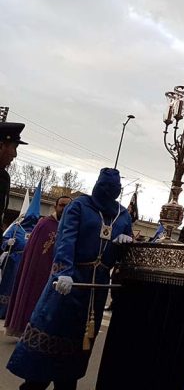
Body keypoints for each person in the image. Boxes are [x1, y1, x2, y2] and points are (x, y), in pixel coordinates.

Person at [7, 167, 133, 389]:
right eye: (104, 186)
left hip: (96, 288)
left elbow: (119, 257)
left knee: (75, 354)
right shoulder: (79, 206)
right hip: (68, 283)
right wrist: (63, 271)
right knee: (48, 345)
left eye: (114, 188)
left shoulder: (123, 216)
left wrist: (125, 243)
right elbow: (66, 240)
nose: (108, 191)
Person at [4, 195, 72, 337]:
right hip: (38, 272)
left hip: (60, 274)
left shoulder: (71, 227)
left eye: (68, 206)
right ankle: (25, 330)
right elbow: (34, 252)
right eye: (62, 205)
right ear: (55, 207)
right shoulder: (44, 224)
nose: (65, 209)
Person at [0, 188, 42, 319]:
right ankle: (3, 310)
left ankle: (16, 313)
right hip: (13, 261)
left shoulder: (37, 229)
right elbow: (3, 242)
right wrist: (8, 243)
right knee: (8, 286)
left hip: (29, 262)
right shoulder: (16, 227)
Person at [0, 123, 27, 230]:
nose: (15, 154)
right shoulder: (2, 177)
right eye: (14, 147)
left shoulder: (3, 175)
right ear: (1, 145)